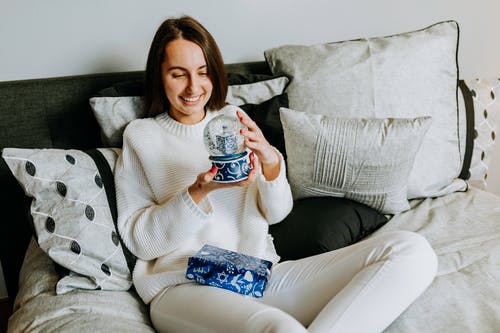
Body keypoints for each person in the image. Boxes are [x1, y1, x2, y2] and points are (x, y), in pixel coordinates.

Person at [115, 15, 438, 333]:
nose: (194, 86)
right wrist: (199, 192)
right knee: (280, 328)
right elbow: (142, 242)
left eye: (203, 72)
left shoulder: (232, 119)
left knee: (411, 250)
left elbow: (276, 213)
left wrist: (270, 163)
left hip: (256, 275)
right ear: (160, 77)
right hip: (184, 285)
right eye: (178, 74)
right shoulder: (142, 135)